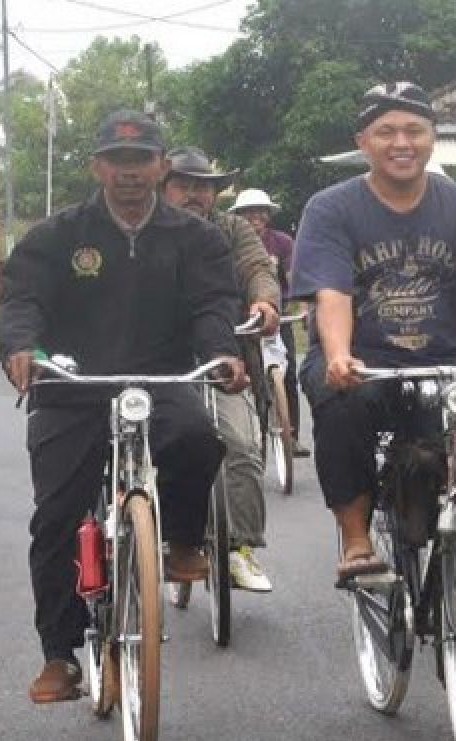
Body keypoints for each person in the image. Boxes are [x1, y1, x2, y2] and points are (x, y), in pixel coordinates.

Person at [0, 110, 246, 703]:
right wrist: (23, 349)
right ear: (98, 166)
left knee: (196, 438)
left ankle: (183, 540)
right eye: (118, 161)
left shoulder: (198, 237)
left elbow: (215, 302)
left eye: (141, 161)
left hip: (158, 380)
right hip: (71, 388)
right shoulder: (57, 235)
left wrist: (221, 351)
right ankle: (60, 656)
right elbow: (23, 299)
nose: (130, 172)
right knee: (55, 518)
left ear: (160, 167)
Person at [289, 81, 456, 584]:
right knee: (342, 408)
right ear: (363, 141)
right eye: (386, 131)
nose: (400, 142)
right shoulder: (330, 208)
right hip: (362, 360)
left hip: (446, 359)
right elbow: (332, 294)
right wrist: (339, 355)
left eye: (413, 130)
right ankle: (357, 538)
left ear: (432, 138)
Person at [161, 146, 281, 592]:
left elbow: (257, 269)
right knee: (147, 444)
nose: (194, 194)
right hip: (158, 362)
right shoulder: (145, 229)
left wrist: (264, 301)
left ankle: (239, 548)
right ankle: (154, 533)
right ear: (162, 186)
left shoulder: (233, 230)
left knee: (243, 446)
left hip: (223, 358)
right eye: (184, 185)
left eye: (204, 186)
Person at [230, 187, 309, 457]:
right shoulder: (232, 239)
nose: (255, 217)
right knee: (248, 375)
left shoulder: (282, 242)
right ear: (239, 215)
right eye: (249, 212)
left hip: (277, 314)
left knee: (288, 376)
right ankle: (257, 435)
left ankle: (293, 434)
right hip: (243, 317)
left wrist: (305, 305)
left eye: (260, 211)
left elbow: (293, 275)